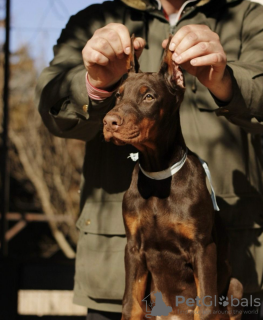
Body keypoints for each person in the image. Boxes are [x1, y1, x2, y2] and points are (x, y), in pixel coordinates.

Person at [36, 0, 263, 319]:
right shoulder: (96, 20)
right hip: (116, 286)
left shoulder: (249, 17)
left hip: (227, 284)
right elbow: (50, 106)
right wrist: (95, 86)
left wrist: (227, 81)